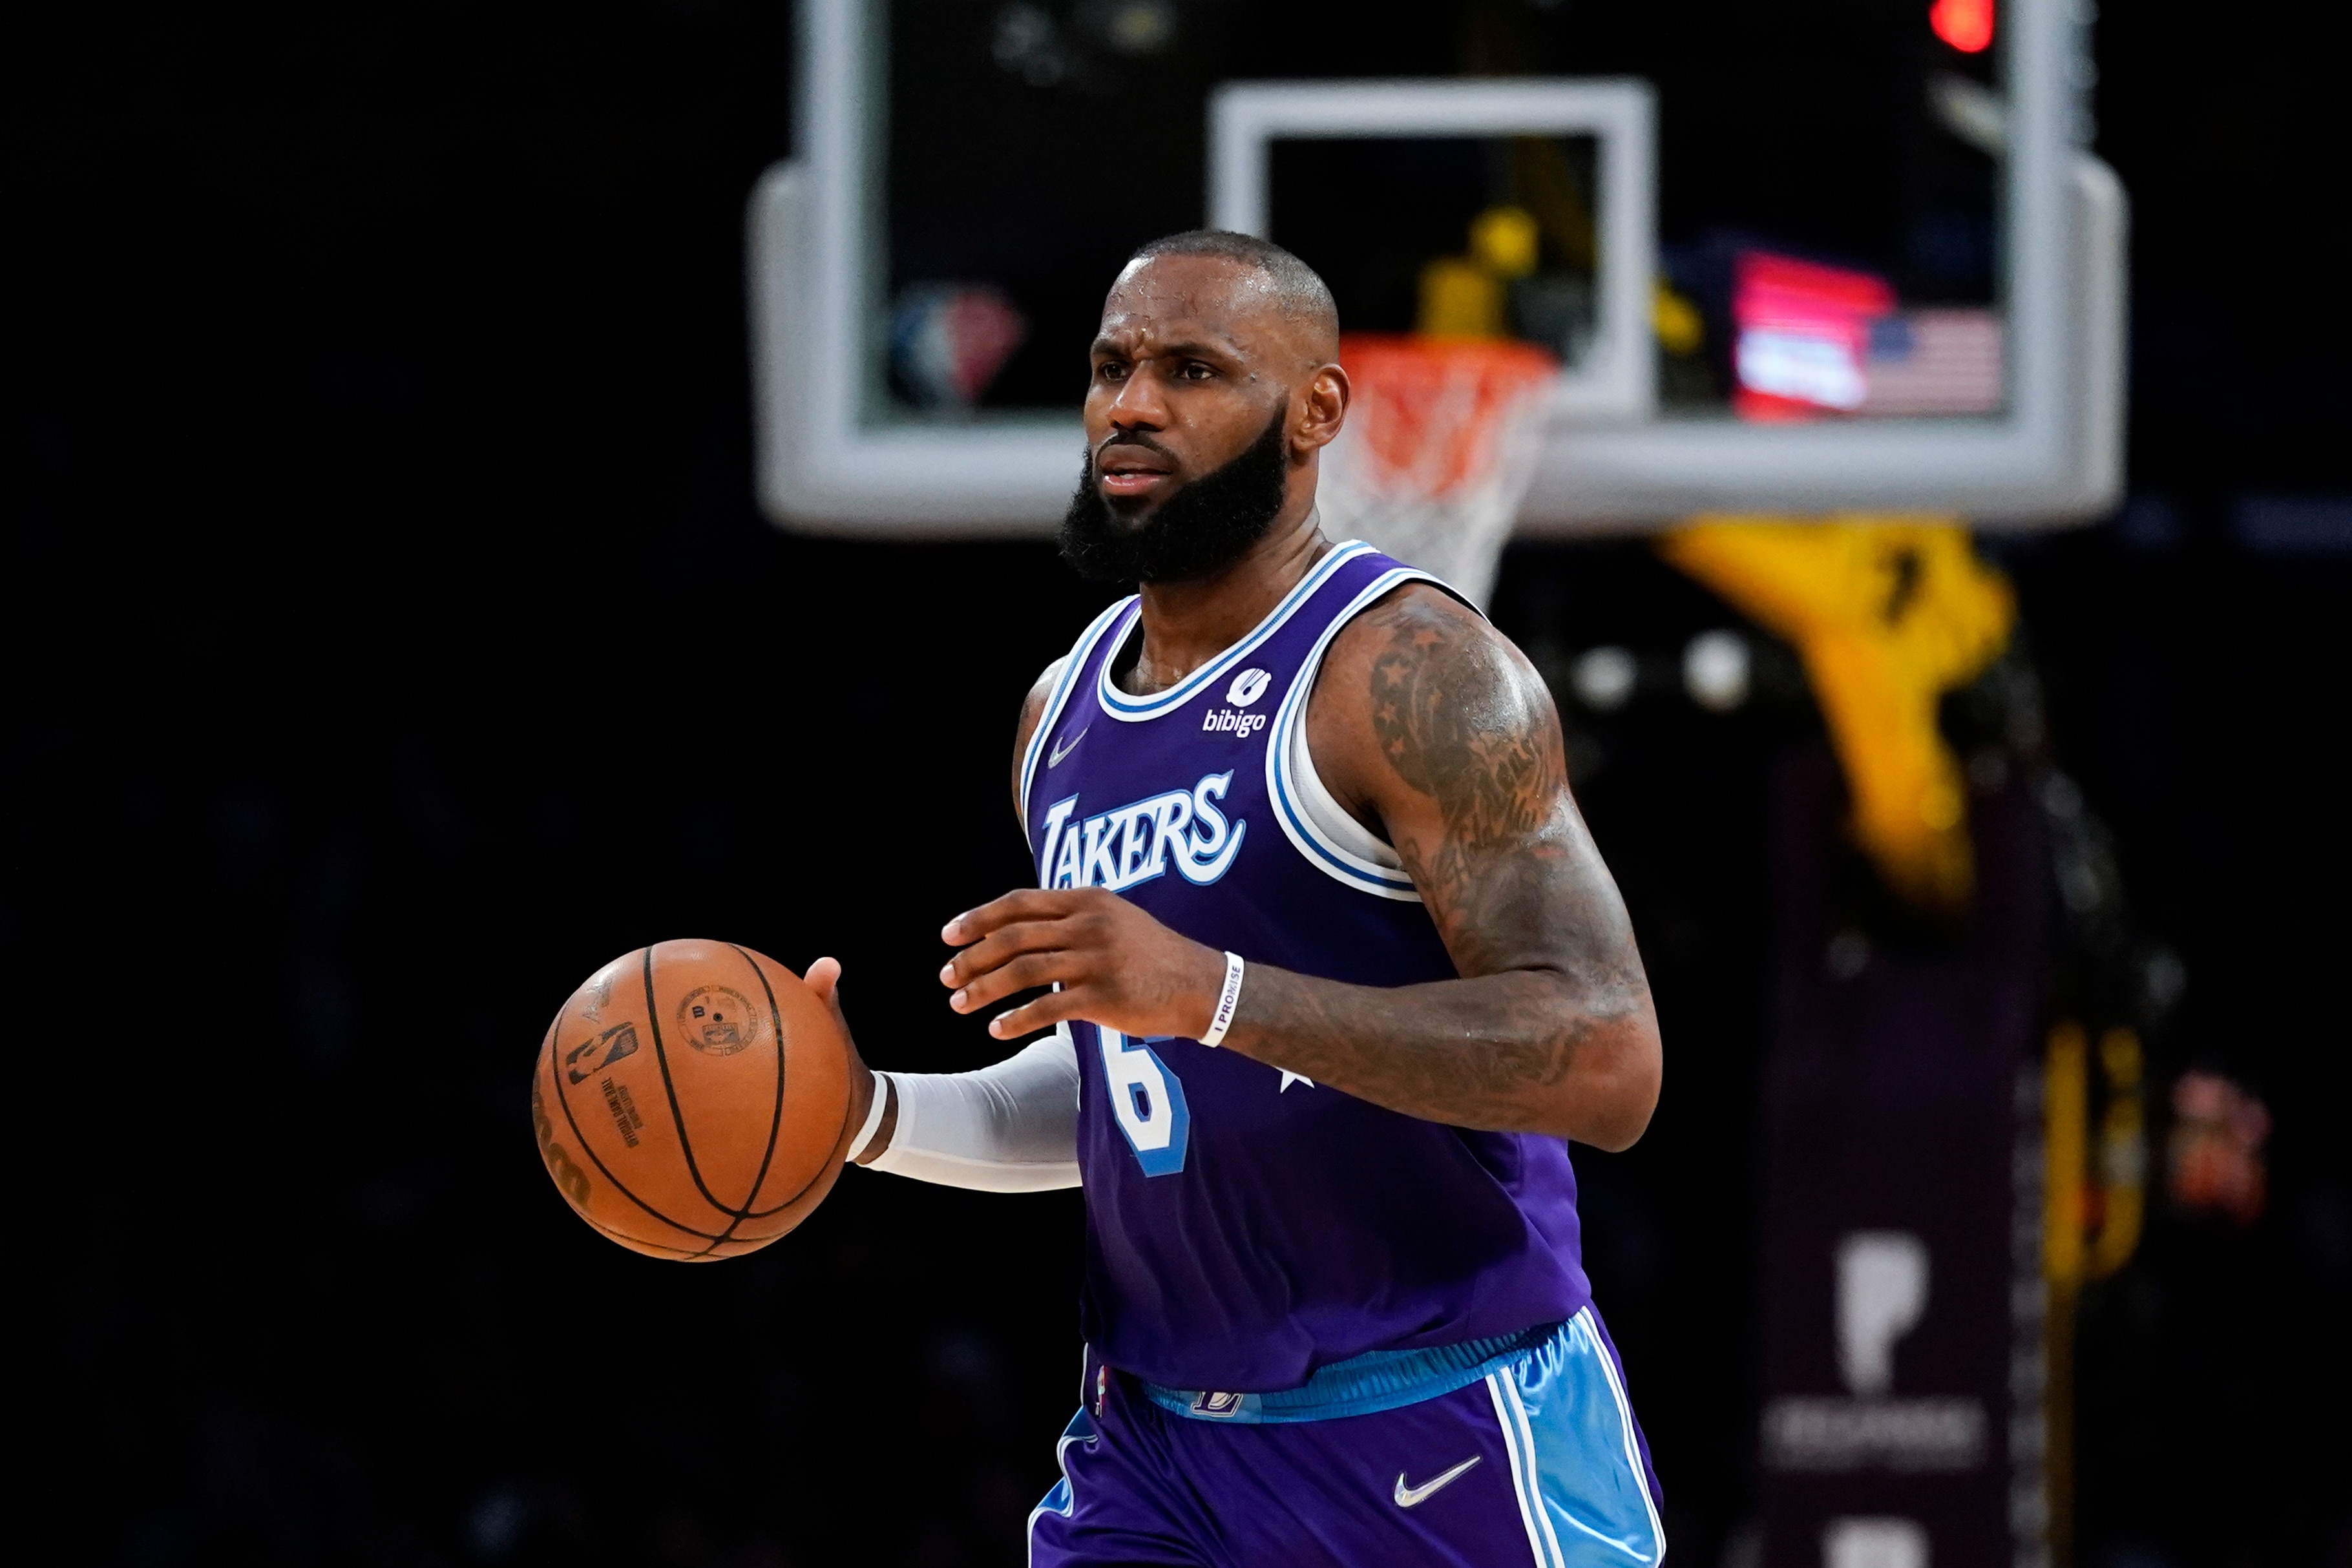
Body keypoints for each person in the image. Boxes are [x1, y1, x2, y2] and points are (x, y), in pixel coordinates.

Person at [807, 230, 1666, 1567]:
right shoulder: (1062, 713)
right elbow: (1131, 1099)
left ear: (1314, 410)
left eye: (1192, 369)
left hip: (1442, 1434)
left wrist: (1212, 993)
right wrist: (864, 1112)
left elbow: (1609, 1059)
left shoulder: (1410, 670)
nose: (1130, 404)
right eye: (1110, 367)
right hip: (1157, 1454)